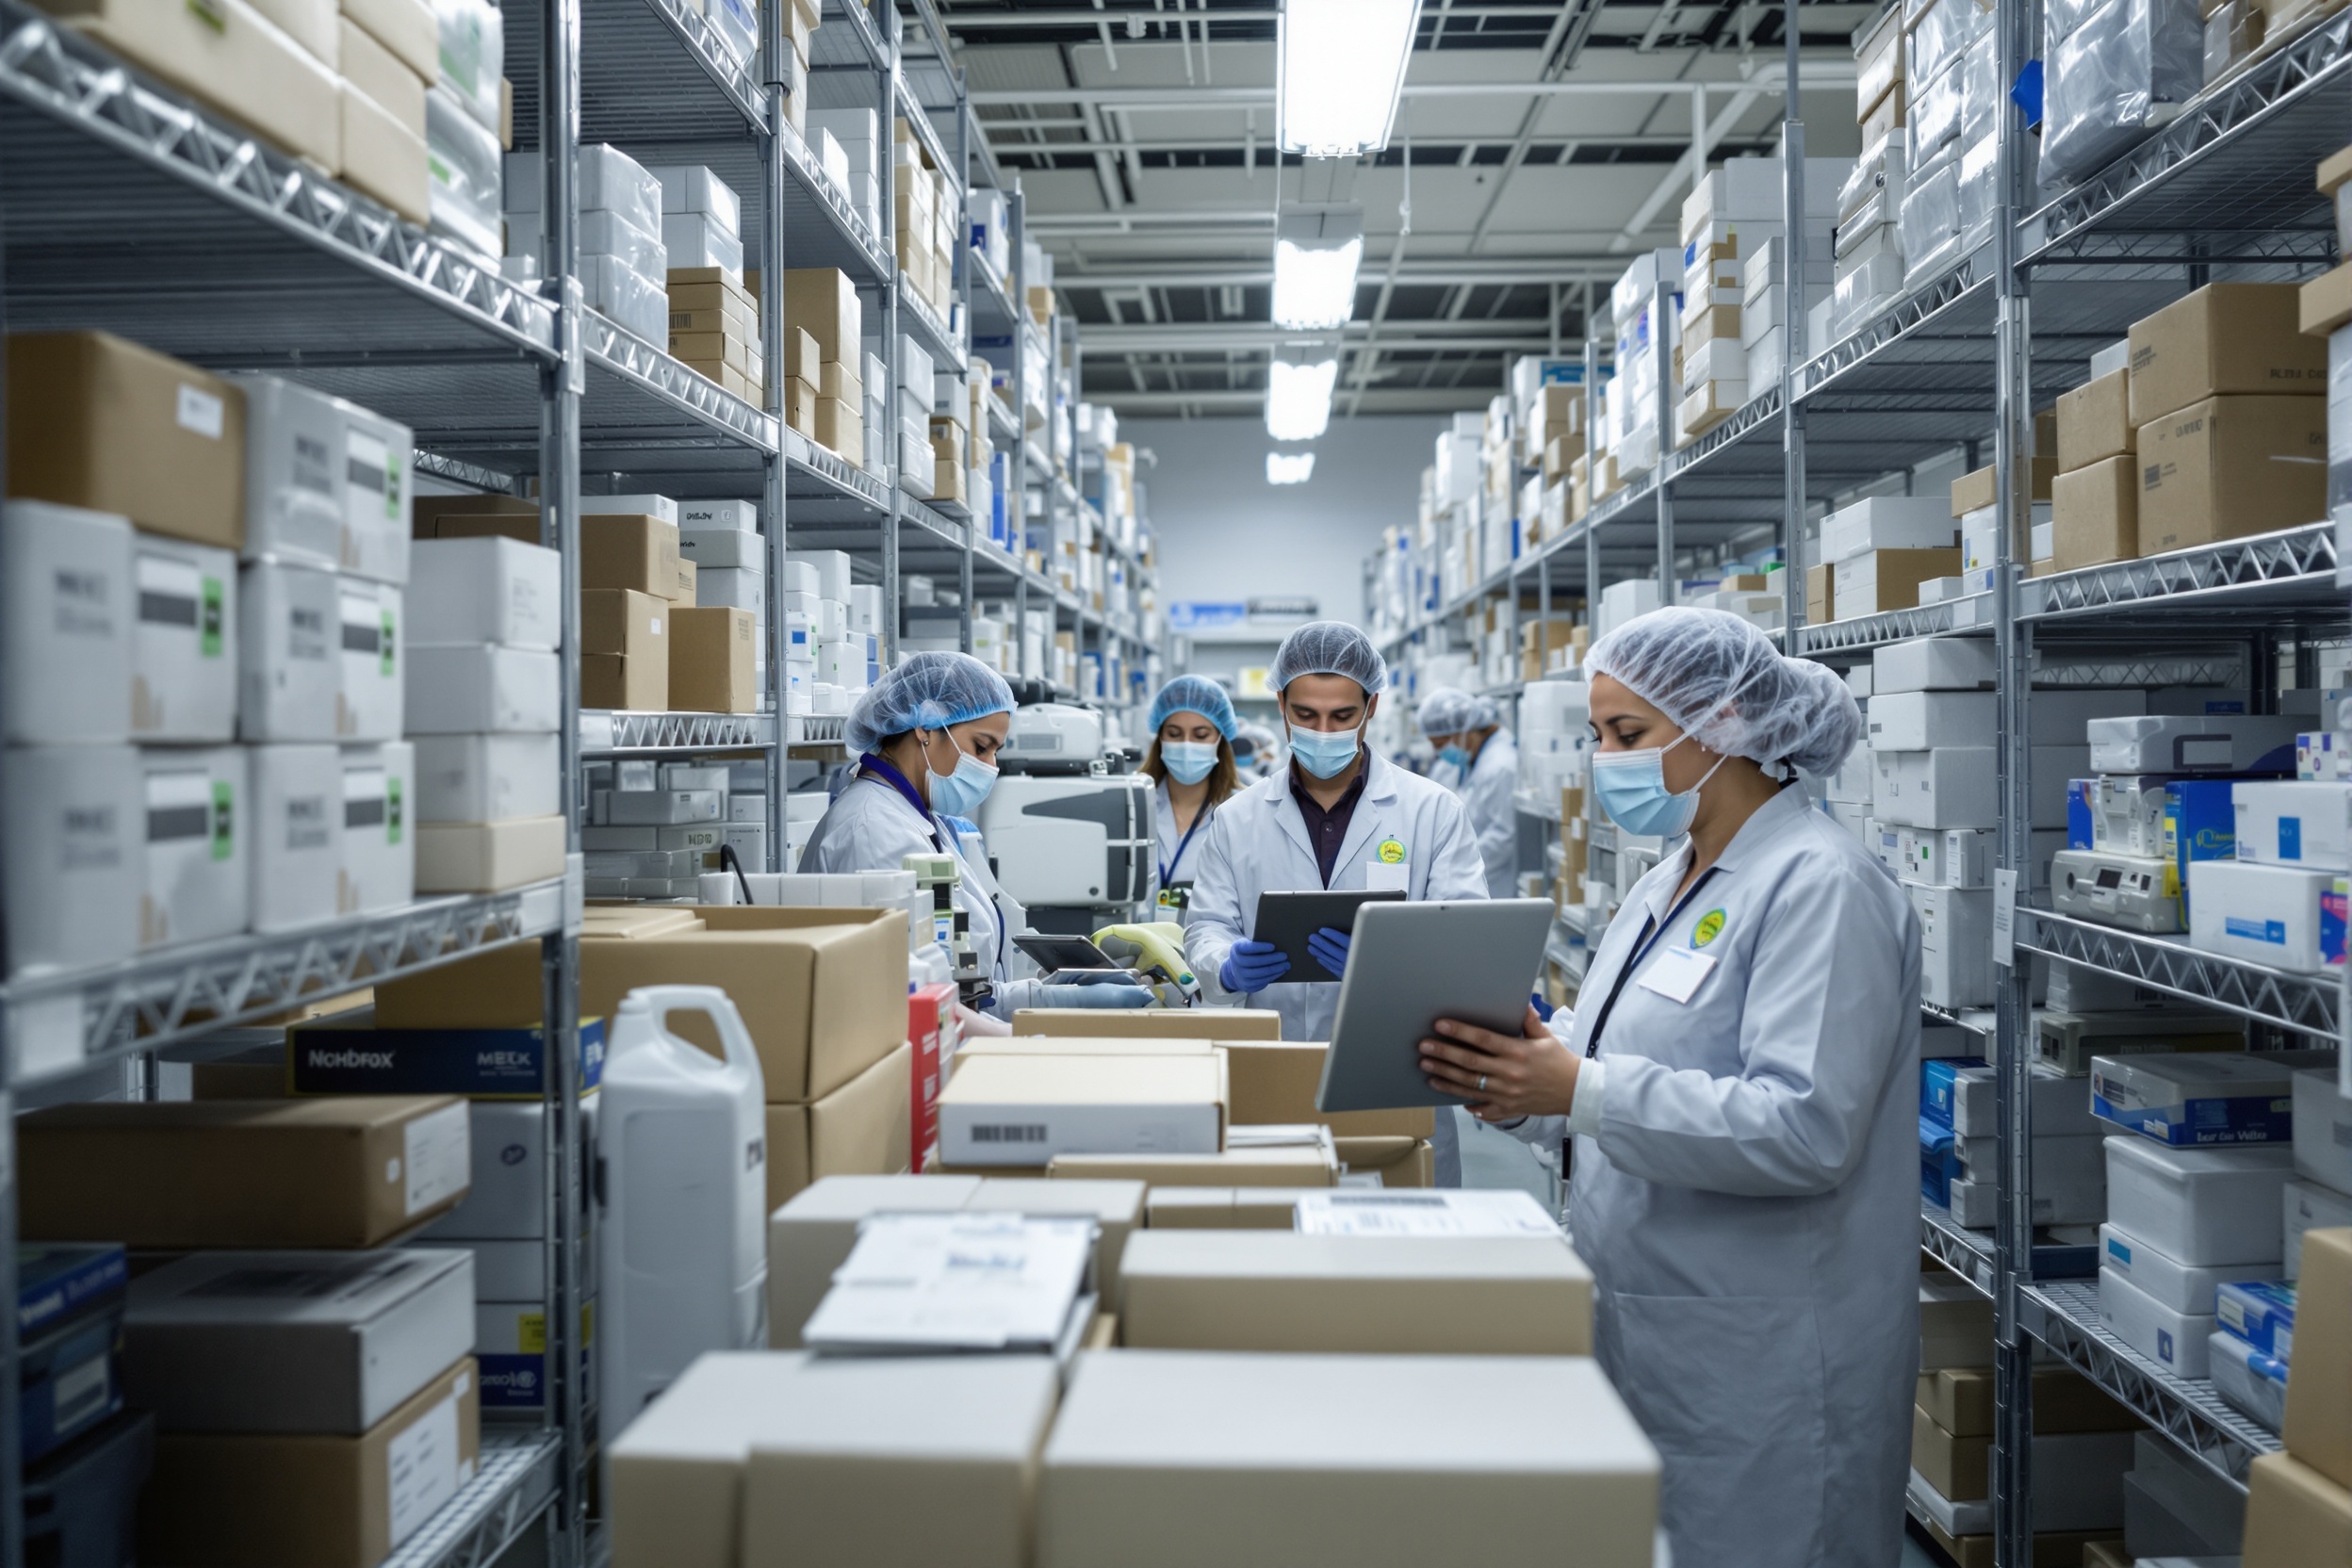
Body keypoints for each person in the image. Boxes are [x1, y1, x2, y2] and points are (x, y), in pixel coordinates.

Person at [1411, 606, 1918, 1568]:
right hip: (1652, 1319)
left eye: (1627, 734)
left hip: (1766, 1352)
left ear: (1721, 722)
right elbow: (1622, 1064)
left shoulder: (1820, 883)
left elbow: (1805, 1128)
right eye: (1600, 734)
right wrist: (1525, 1083)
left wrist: (1582, 1087)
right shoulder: (1669, 879)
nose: (1605, 759)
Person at [1184, 622, 1490, 1182]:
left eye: (1342, 716)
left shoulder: (1432, 811)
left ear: (1371, 707)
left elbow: (1464, 950)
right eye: (1305, 715)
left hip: (1392, 1073)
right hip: (1270, 1070)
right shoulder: (1237, 818)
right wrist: (1225, 965)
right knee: (1277, 1237)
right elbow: (1205, 926)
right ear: (1280, 704)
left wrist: (1382, 968)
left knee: (1398, 1249)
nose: (1323, 731)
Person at [801, 651, 1154, 1022]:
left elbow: (965, 987)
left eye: (996, 751)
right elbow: (909, 1004)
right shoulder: (874, 834)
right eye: (981, 747)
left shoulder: (920, 816)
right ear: (925, 727)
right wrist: (1033, 1021)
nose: (991, 766)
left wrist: (1046, 991)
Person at [1140, 675, 1243, 920]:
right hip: (1133, 950)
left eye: (1200, 735)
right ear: (1160, 739)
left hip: (1211, 952)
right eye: (1174, 734)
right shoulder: (1133, 805)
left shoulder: (1242, 812)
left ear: (1219, 739)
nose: (1186, 745)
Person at [1418, 686, 1520, 898]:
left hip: (1492, 882)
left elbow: (1503, 837)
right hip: (1461, 877)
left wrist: (1454, 863)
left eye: (1441, 744)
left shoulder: (1501, 766)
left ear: (1463, 732)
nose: (1438, 752)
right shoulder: (1466, 760)